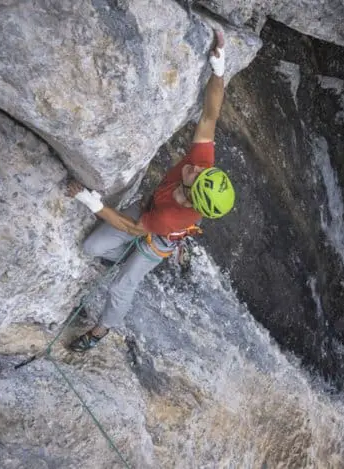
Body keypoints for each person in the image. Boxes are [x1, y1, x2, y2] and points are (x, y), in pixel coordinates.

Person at [65, 29, 234, 352]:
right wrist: (219, 67)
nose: (195, 167)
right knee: (92, 247)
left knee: (121, 285)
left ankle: (102, 330)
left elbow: (131, 227)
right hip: (147, 211)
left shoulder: (173, 217)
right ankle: (129, 258)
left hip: (158, 236)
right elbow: (211, 113)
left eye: (197, 175)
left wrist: (89, 199)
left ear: (194, 196)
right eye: (202, 170)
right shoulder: (202, 163)